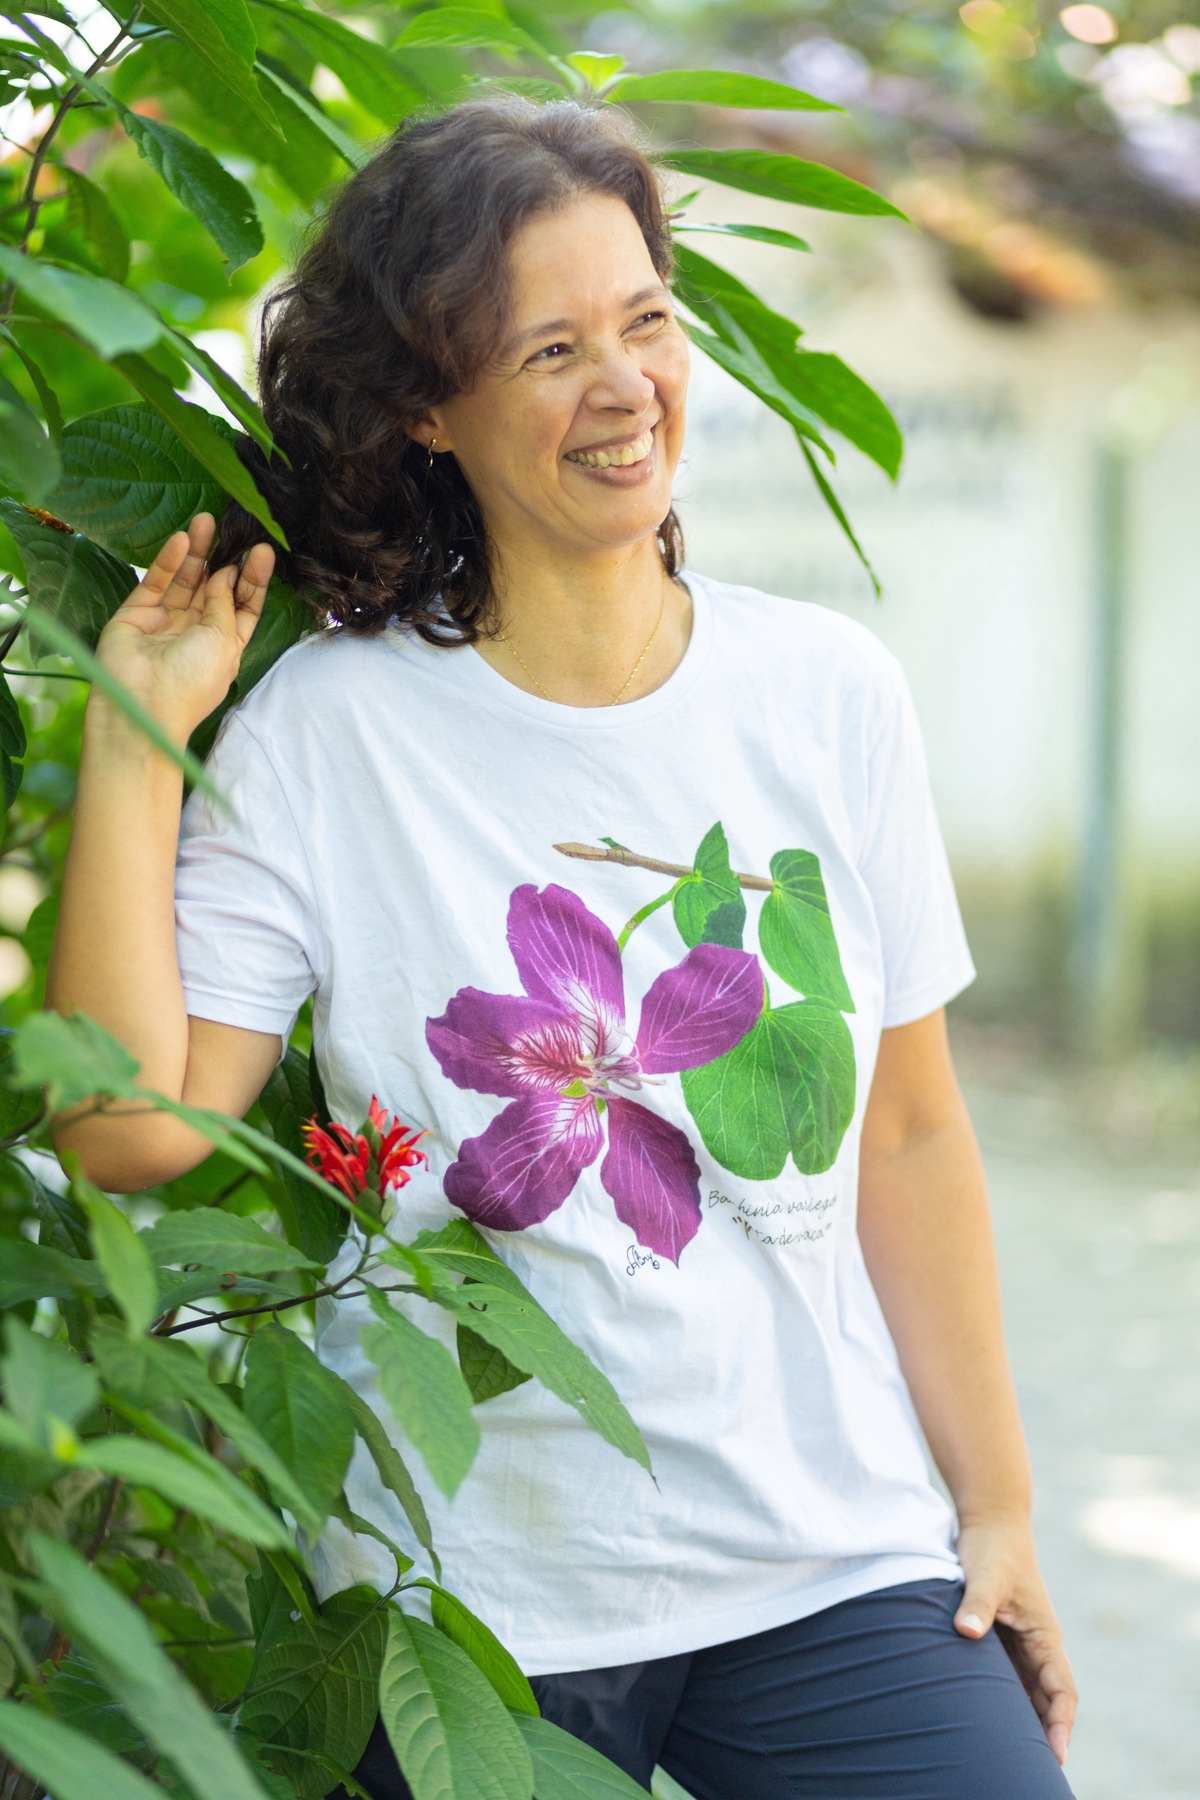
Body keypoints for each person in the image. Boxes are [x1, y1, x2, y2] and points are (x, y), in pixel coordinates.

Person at [50, 98, 1077, 1799]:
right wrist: (128, 744)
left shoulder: (828, 695)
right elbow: (129, 1125)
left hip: (828, 1558)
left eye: (646, 322)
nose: (624, 387)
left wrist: (1002, 1507)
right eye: (549, 348)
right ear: (432, 412)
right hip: (474, 1605)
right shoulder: (328, 732)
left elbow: (905, 1133)